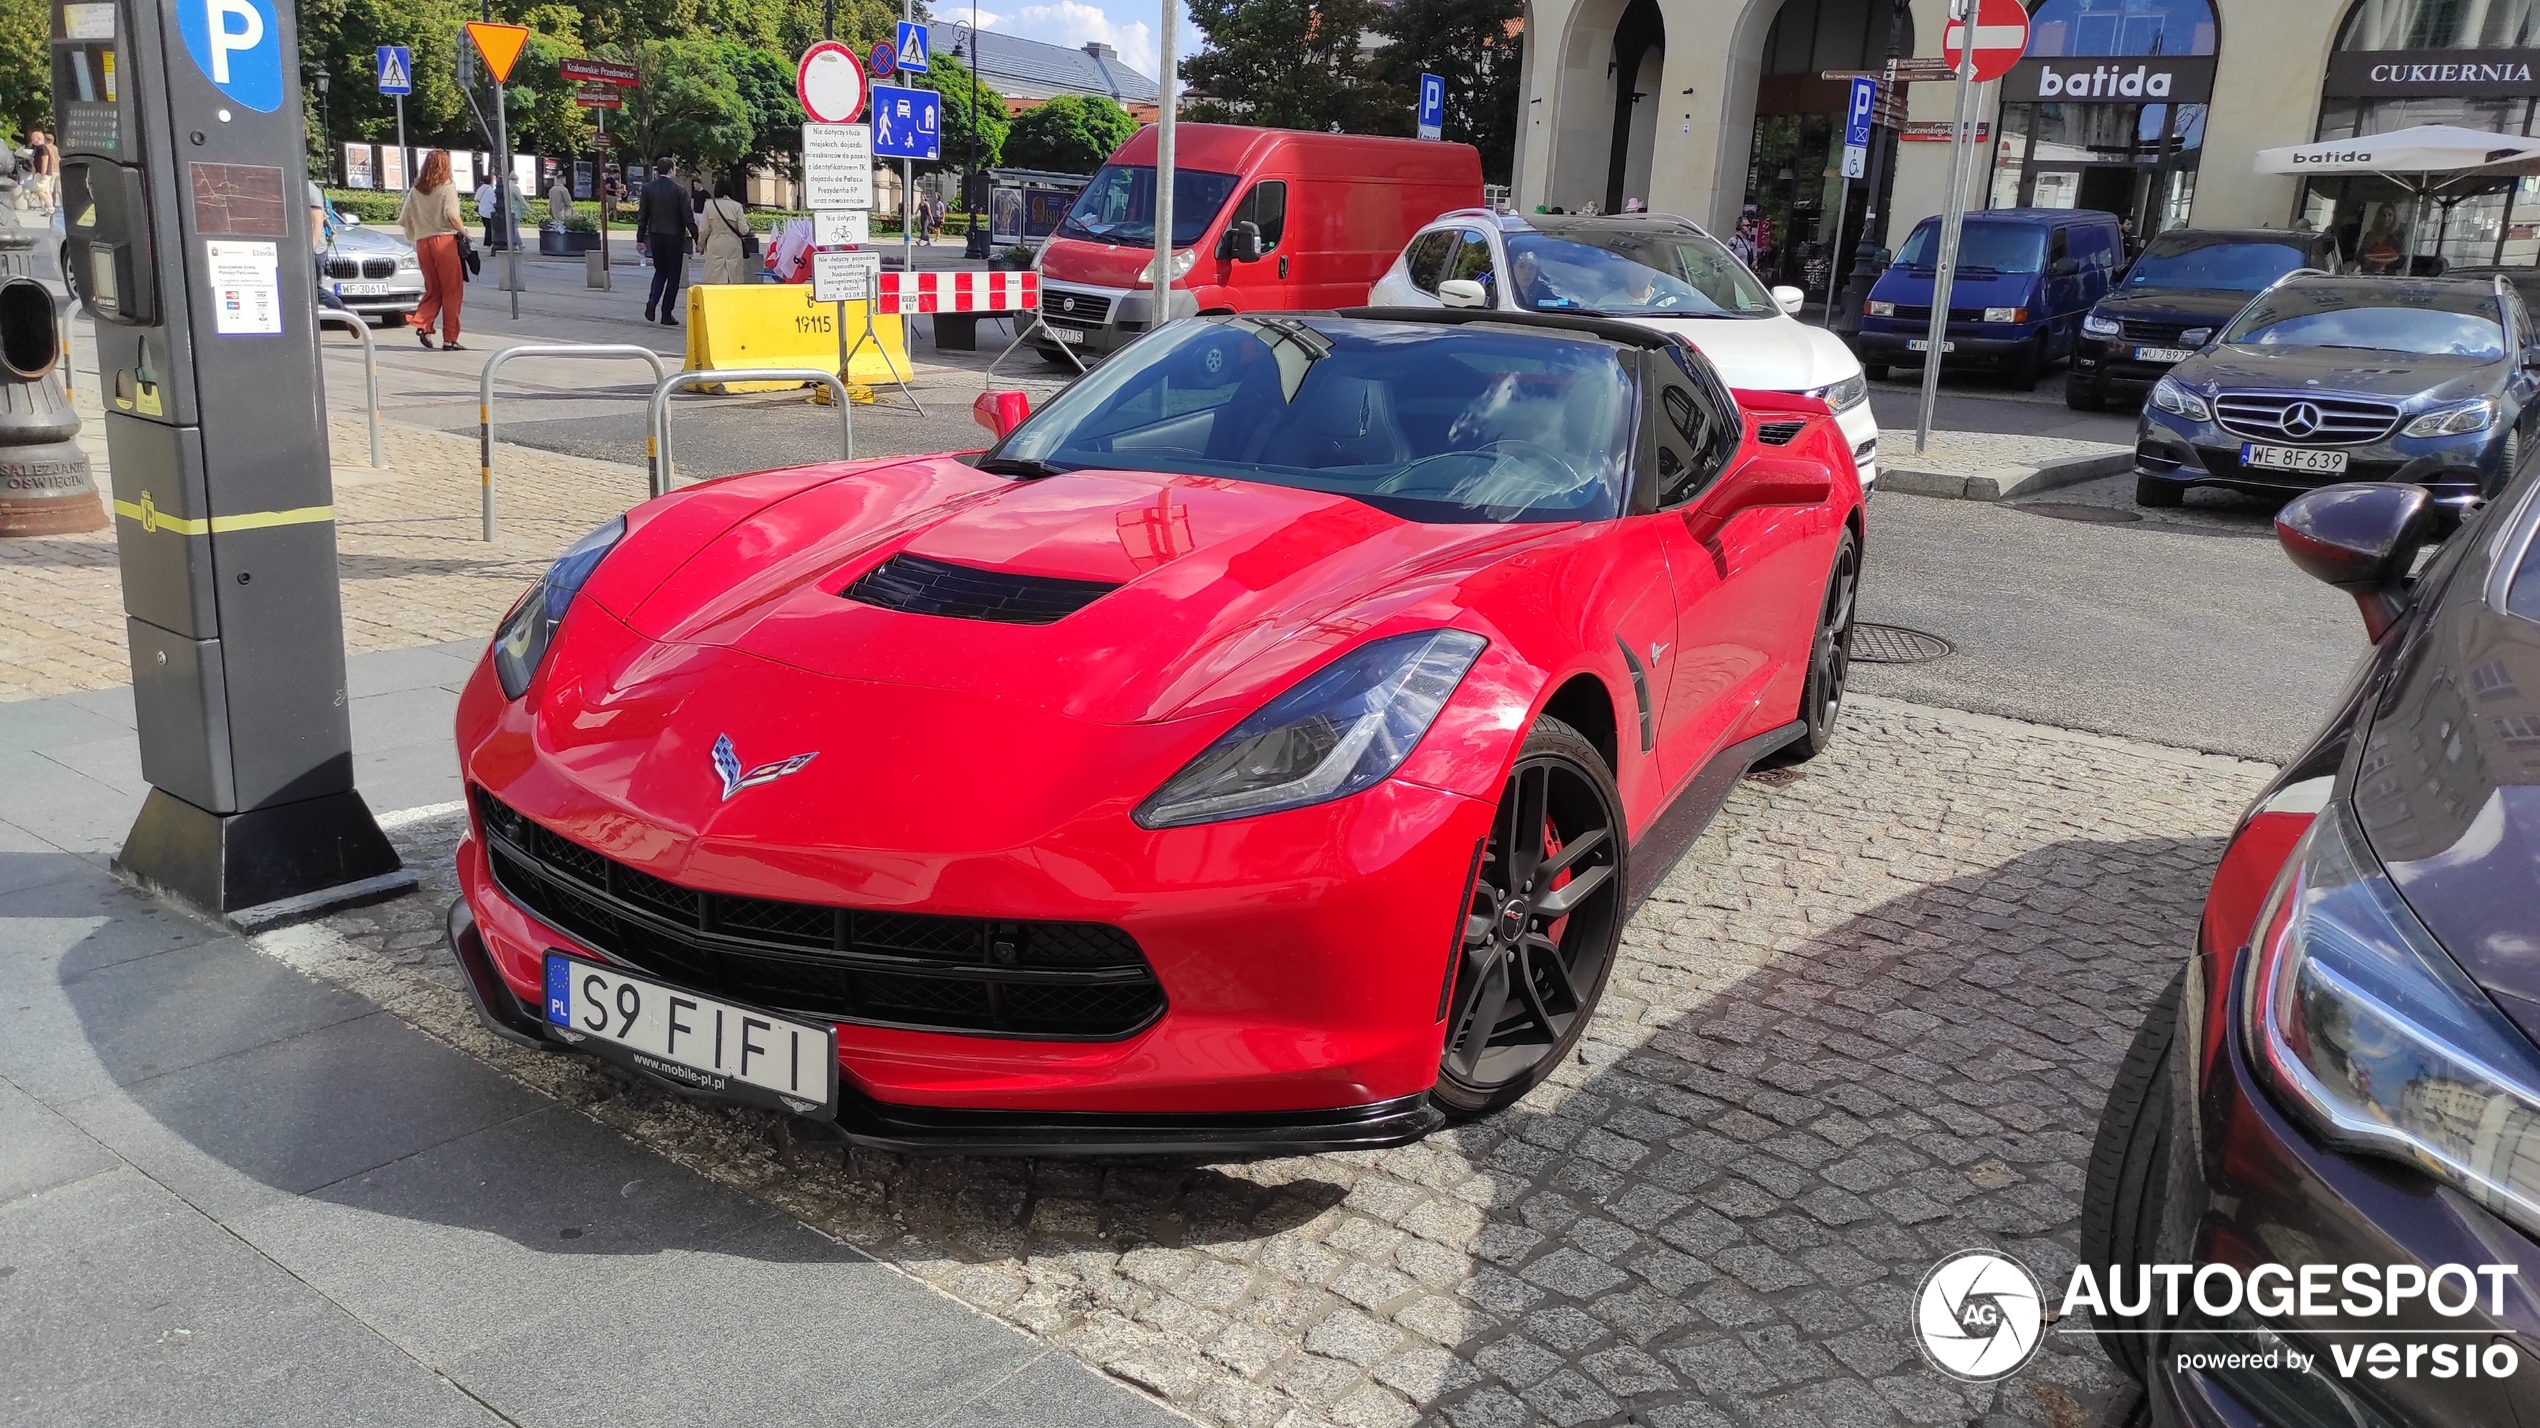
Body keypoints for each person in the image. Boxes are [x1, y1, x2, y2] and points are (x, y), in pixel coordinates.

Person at [399, 149, 467, 349]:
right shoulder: (447, 186)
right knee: (452, 290)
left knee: (433, 288)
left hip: (423, 243)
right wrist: (465, 232)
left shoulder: (416, 189)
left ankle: (422, 322)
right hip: (444, 242)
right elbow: (452, 214)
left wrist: (418, 231)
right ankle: (450, 339)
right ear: (445, 165)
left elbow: (405, 217)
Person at [635, 156, 697, 324]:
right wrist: (698, 239)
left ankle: (652, 300)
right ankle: (666, 313)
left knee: (660, 271)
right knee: (673, 276)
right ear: (671, 170)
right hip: (674, 237)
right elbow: (687, 217)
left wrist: (640, 238)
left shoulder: (648, 189)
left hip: (655, 235)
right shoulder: (679, 190)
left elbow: (643, 216)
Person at [699, 175, 752, 286]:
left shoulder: (709, 205)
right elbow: (743, 230)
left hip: (715, 243)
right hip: (733, 244)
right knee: (733, 276)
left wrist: (701, 246)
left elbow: (703, 230)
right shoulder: (737, 206)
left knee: (714, 275)